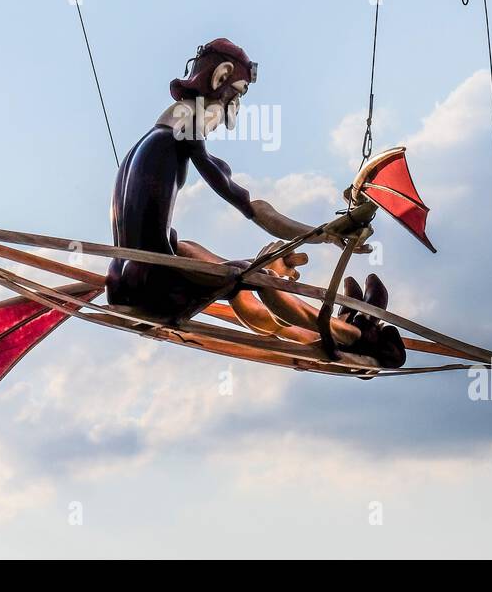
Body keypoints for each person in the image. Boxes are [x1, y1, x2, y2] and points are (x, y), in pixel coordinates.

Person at [105, 38, 406, 368]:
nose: (234, 108)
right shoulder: (187, 126)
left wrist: (317, 236)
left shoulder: (152, 141)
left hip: (121, 284)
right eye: (237, 95)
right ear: (220, 79)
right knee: (256, 276)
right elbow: (251, 207)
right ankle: (356, 337)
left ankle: (326, 331)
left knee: (200, 253)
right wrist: (324, 234)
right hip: (154, 290)